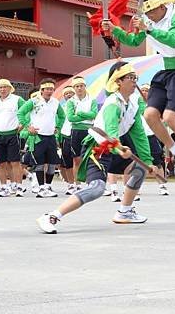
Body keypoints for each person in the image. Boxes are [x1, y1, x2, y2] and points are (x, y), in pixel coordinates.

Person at [36, 62, 158, 233]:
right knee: (97, 188)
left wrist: (147, 160)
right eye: (130, 78)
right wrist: (119, 148)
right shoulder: (112, 103)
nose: (134, 82)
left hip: (114, 147)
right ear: (118, 82)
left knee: (141, 169)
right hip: (98, 149)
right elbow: (110, 132)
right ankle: (51, 216)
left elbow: (139, 134)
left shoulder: (134, 104)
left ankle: (125, 212)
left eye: (135, 78)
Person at [102, 0, 175, 184]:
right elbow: (133, 41)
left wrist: (148, 29)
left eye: (151, 13)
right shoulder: (148, 22)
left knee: (169, 117)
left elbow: (174, 40)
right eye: (147, 14)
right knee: (150, 115)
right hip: (166, 71)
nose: (149, 17)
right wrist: (114, 29)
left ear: (161, 7)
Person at [18, 78, 65, 198]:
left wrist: (58, 127)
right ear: (41, 90)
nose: (49, 91)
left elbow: (62, 115)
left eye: (51, 89)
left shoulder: (55, 102)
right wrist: (28, 127)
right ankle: (41, 188)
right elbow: (20, 113)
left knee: (52, 163)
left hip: (51, 136)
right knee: (39, 163)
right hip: (37, 136)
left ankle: (48, 186)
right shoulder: (34, 101)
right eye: (47, 89)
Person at [0, 79, 26, 197]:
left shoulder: (17, 99)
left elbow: (26, 111)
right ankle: (4, 187)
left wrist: (23, 123)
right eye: (0, 87)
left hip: (12, 134)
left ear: (10, 88)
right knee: (1, 163)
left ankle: (18, 187)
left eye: (5, 87)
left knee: (15, 162)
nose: (3, 89)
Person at [66, 77, 97, 186]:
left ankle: (90, 182)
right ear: (74, 88)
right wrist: (86, 116)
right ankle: (77, 184)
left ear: (85, 86)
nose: (79, 88)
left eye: (81, 86)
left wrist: (80, 114)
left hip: (89, 130)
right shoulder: (71, 101)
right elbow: (70, 117)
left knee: (90, 158)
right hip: (76, 130)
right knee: (77, 159)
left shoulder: (92, 99)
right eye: (77, 86)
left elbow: (94, 114)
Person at [139, 83, 168, 196]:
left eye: (146, 90)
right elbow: (143, 112)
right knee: (139, 163)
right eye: (143, 90)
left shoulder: (155, 104)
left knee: (157, 162)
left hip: (151, 135)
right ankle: (137, 186)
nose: (144, 92)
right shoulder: (136, 103)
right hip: (140, 137)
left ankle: (162, 185)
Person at [58, 86, 77, 195]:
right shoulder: (62, 107)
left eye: (71, 93)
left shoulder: (81, 104)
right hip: (65, 135)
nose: (69, 95)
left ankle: (78, 183)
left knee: (78, 160)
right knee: (67, 161)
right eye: (66, 94)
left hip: (78, 134)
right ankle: (71, 184)